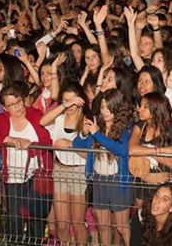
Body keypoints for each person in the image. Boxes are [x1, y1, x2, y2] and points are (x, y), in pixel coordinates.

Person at [0, 83, 53, 244]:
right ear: (4, 108)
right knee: (14, 219)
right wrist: (10, 139)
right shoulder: (2, 120)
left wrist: (32, 146)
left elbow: (47, 141)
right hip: (13, 177)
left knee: (36, 218)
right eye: (12, 104)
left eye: (19, 101)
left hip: (37, 176)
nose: (18, 107)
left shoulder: (35, 114)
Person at [79, 88, 133, 246]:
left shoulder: (125, 129)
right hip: (98, 179)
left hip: (118, 181)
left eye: (109, 108)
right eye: (102, 107)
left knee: (122, 227)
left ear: (118, 109)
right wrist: (83, 133)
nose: (105, 112)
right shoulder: (97, 125)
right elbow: (78, 144)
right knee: (102, 225)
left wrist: (97, 134)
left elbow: (122, 150)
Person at [40, 82, 90, 245]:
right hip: (60, 169)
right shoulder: (59, 120)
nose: (69, 105)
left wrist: (70, 145)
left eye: (72, 101)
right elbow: (43, 121)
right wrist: (64, 105)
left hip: (79, 172)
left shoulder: (86, 122)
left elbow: (88, 156)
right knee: (61, 225)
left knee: (77, 223)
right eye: (65, 100)